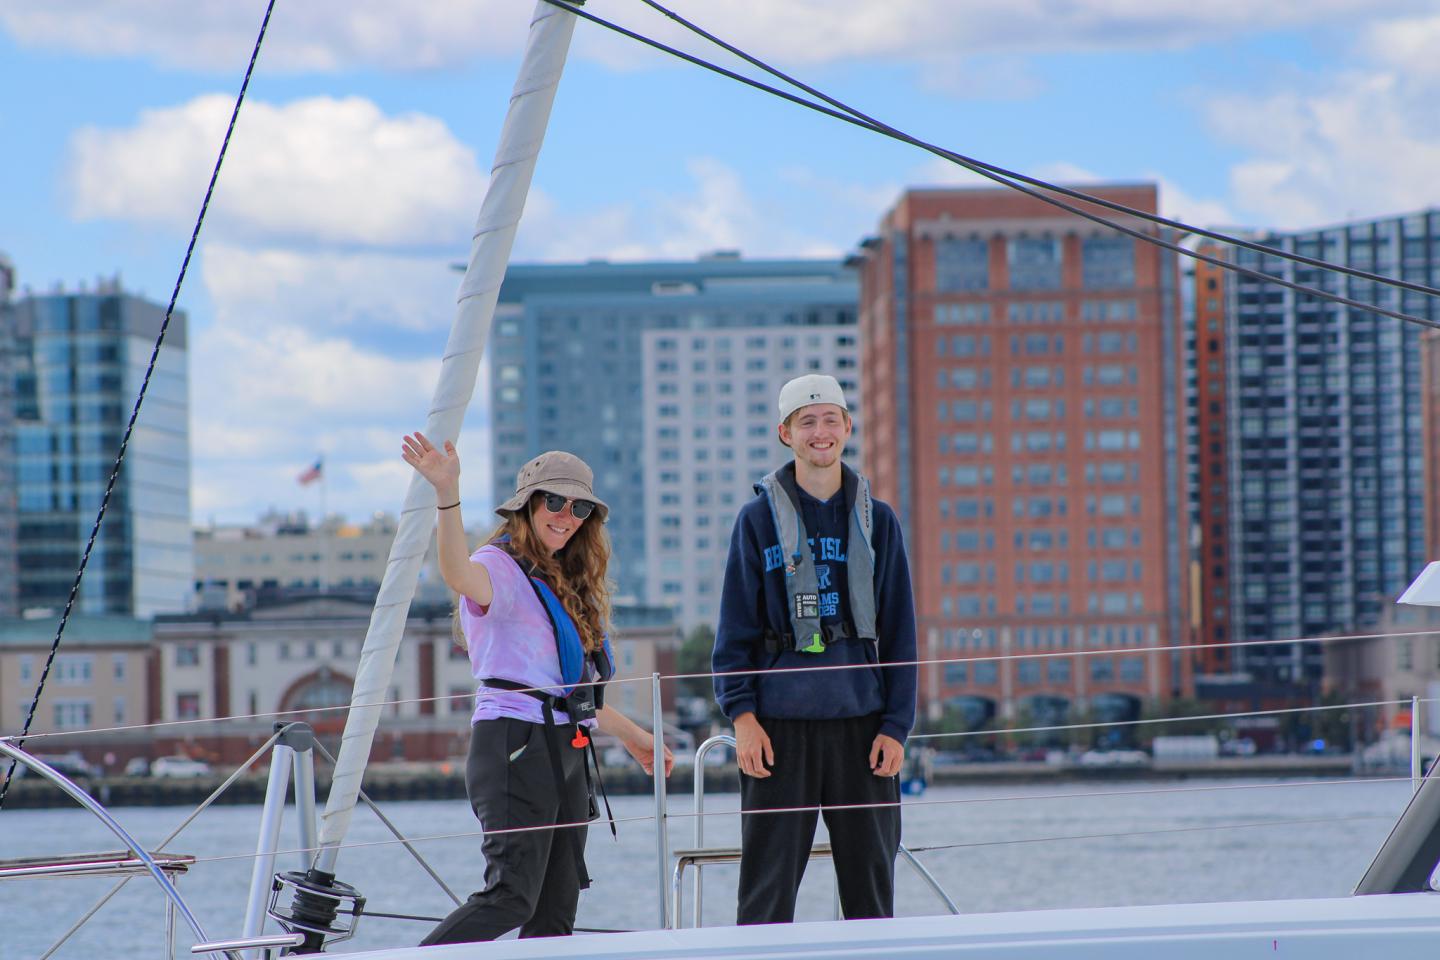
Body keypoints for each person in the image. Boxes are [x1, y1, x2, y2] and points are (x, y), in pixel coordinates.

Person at [402, 433, 673, 944]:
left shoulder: (564, 582)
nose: (565, 515)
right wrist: (447, 492)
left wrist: (636, 736)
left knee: (555, 911)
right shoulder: (498, 569)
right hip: (514, 744)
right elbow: (458, 574)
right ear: (526, 506)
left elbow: (570, 693)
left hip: (563, 750)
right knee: (510, 896)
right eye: (553, 501)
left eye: (580, 507)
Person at [712, 374, 917, 925]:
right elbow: (733, 632)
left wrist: (897, 727)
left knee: (871, 892)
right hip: (778, 731)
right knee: (766, 893)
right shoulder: (756, 522)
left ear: (848, 427)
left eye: (831, 419)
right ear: (786, 434)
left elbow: (900, 634)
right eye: (807, 422)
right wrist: (743, 718)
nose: (820, 432)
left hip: (864, 728)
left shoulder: (882, 522)